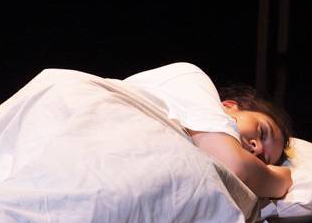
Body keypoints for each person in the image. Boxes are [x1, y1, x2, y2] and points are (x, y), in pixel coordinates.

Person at [123, 62, 293, 199]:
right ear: (229, 106)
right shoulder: (191, 78)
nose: (258, 148)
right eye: (262, 132)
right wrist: (281, 180)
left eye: (262, 160)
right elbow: (235, 167)